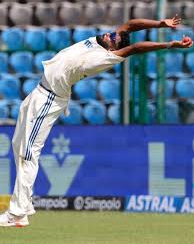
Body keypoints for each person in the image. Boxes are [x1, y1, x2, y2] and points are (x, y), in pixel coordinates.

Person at [0, 15, 193, 227]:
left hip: (48, 99)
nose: (110, 35)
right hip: (38, 92)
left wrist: (169, 44)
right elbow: (130, 25)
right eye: (113, 34)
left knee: (28, 154)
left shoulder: (107, 57)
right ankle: (24, 206)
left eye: (114, 38)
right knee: (19, 146)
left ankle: (16, 214)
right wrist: (159, 24)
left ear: (113, 50)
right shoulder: (99, 41)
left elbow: (136, 47)